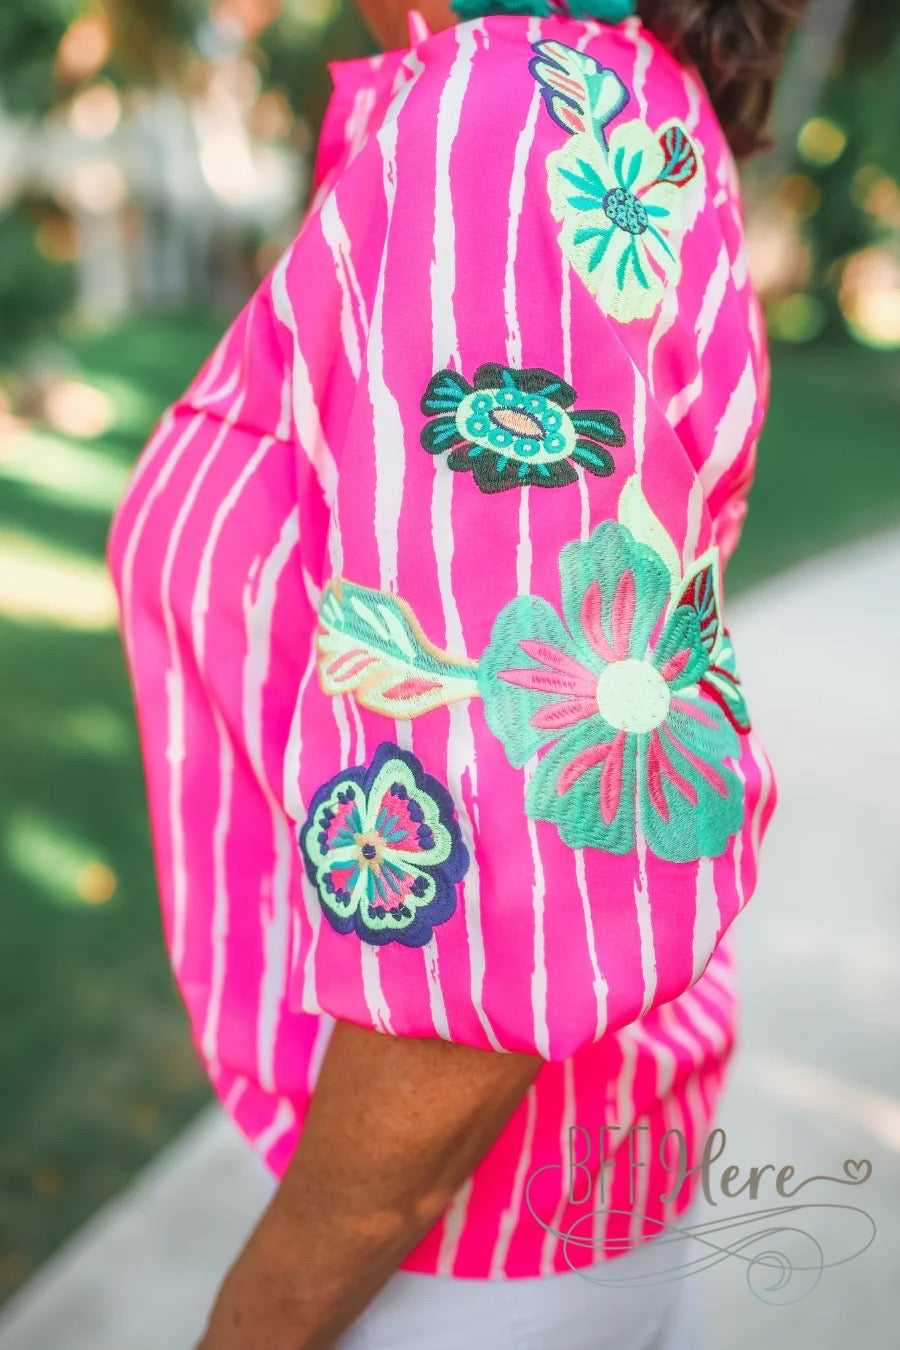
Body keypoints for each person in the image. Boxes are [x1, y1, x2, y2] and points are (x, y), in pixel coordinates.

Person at [106, 0, 808, 1344]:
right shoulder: (574, 96)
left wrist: (258, 1323)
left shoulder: (500, 125)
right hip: (532, 1204)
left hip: (450, 1252)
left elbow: (506, 894)